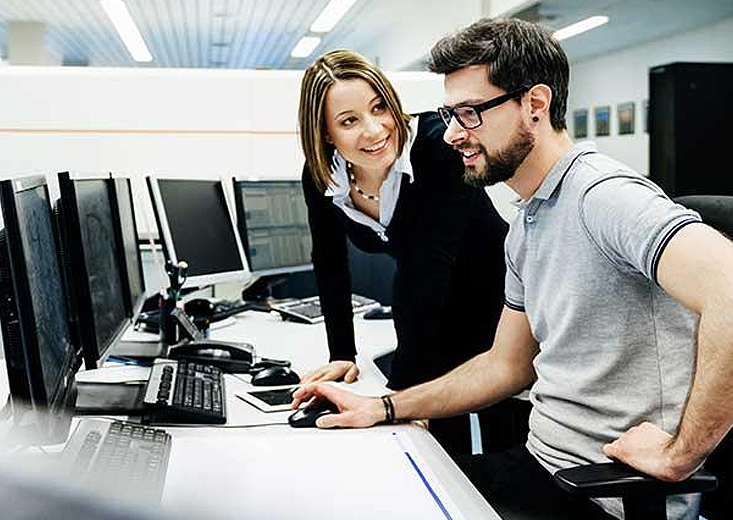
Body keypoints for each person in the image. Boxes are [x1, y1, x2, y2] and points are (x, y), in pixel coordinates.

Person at [292, 19, 733, 520]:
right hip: (540, 466)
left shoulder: (603, 196)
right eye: (450, 114)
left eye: (471, 114)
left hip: (604, 493)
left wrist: (682, 456)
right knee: (353, 491)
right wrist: (386, 408)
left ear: (536, 105)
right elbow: (505, 365)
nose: (453, 134)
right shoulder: (530, 219)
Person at [297, 49, 526, 457]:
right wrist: (341, 353)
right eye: (349, 121)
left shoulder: (438, 147)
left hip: (499, 296)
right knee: (435, 443)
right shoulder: (323, 175)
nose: (374, 130)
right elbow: (329, 263)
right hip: (430, 304)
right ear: (326, 133)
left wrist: (395, 397)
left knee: (501, 434)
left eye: (379, 107)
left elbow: (426, 269)